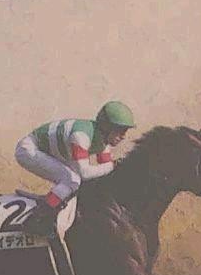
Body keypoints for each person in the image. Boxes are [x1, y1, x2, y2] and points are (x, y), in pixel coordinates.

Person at [14, 101, 136, 235]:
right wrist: (113, 165)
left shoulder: (103, 141)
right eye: (120, 131)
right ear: (107, 127)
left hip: (52, 152)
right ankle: (37, 219)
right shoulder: (80, 136)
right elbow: (85, 173)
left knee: (77, 181)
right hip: (29, 150)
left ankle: (53, 205)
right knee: (72, 180)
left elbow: (106, 172)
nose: (123, 136)